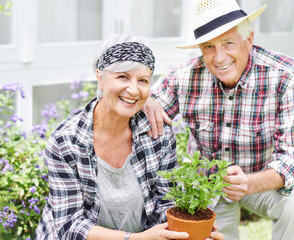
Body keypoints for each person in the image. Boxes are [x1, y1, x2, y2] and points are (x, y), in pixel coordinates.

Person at [143, 0, 294, 239]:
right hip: (207, 187)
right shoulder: (184, 77)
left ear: (249, 40)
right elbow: (136, 113)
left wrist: (250, 183)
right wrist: (144, 99)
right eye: (209, 47)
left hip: (263, 180)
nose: (219, 57)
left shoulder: (285, 74)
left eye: (228, 43)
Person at [35, 33, 224, 240]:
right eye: (123, 77)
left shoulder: (158, 133)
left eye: (143, 80)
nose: (133, 90)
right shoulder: (66, 141)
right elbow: (70, 226)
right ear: (100, 78)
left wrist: (191, 228)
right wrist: (135, 239)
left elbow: (165, 203)